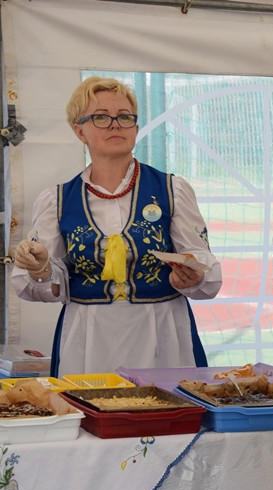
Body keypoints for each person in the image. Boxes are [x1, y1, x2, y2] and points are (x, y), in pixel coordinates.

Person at [10, 76, 221, 375]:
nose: (115, 124)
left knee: (165, 418)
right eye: (101, 117)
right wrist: (41, 268)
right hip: (88, 340)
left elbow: (204, 269)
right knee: (91, 418)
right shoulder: (56, 200)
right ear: (79, 131)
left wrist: (193, 276)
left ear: (135, 128)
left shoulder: (172, 190)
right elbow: (45, 285)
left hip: (163, 335)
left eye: (124, 117)